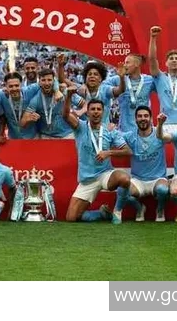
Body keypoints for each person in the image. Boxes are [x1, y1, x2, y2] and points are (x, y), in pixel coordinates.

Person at [63, 89, 133, 224]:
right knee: (71, 218)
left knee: (124, 178)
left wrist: (108, 153)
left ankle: (117, 211)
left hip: (105, 174)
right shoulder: (80, 127)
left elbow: (128, 151)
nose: (96, 112)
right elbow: (65, 115)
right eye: (93, 109)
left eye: (99, 109)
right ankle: (101, 214)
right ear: (87, 112)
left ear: (103, 112)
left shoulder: (110, 131)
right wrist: (69, 96)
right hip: (87, 180)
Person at [120, 106, 169, 222]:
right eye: (140, 116)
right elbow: (112, 137)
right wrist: (110, 129)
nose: (143, 118)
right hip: (138, 180)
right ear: (135, 119)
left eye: (146, 116)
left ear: (151, 118)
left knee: (163, 190)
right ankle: (139, 208)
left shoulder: (160, 133)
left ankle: (160, 210)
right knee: (122, 192)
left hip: (157, 179)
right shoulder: (129, 136)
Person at [58, 54, 125, 125]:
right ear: (85, 78)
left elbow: (120, 90)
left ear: (100, 79)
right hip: (85, 129)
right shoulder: (80, 88)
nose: (92, 76)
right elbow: (62, 80)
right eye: (89, 74)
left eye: (95, 74)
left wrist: (122, 77)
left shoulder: (105, 90)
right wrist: (60, 65)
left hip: (103, 129)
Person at [21, 69, 84, 139]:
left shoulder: (64, 91)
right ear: (39, 83)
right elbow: (23, 123)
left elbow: (85, 104)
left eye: (49, 80)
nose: (46, 83)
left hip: (67, 134)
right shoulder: (36, 100)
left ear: (54, 81)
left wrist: (80, 112)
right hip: (46, 136)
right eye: (43, 80)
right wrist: (28, 119)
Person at [107, 54, 156, 133]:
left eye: (127, 62)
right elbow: (101, 85)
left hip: (144, 130)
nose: (124, 65)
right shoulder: (117, 79)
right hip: (125, 130)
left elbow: (164, 87)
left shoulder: (149, 80)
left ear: (137, 64)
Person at [0, 72, 40, 139]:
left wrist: (56, 92)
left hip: (32, 137)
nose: (14, 89)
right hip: (13, 138)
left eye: (17, 85)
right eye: (10, 86)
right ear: (5, 86)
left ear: (21, 84)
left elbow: (51, 79)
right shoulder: (1, 95)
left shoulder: (30, 91)